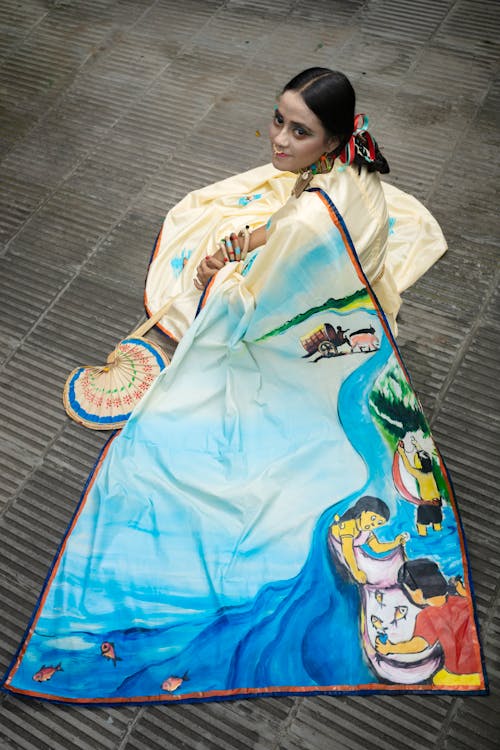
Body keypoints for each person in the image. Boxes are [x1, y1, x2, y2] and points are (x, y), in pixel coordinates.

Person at [3, 69, 484, 704]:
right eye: (279, 120)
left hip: (304, 330)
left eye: (299, 130)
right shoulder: (349, 174)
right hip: (351, 301)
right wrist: (253, 240)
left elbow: (259, 304)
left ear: (333, 138)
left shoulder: (314, 218)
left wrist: (222, 275)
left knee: (200, 396)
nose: (279, 140)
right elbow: (293, 226)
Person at [375, 559, 483, 686]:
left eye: (408, 591)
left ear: (419, 593)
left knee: (438, 680)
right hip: (479, 667)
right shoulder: (461, 600)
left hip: (460, 674)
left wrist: (390, 648)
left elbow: (419, 644)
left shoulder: (427, 615)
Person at [330, 496, 409, 583]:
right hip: (336, 550)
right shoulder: (349, 525)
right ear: (363, 512)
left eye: (378, 523)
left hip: (349, 553)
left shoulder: (367, 531)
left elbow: (377, 548)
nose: (373, 524)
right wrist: (355, 572)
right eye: (373, 518)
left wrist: (396, 543)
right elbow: (347, 550)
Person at [397, 438, 443, 535]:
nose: (415, 459)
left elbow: (408, 467)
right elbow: (424, 455)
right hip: (436, 503)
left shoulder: (419, 474)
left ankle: (423, 537)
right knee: (438, 526)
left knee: (421, 526)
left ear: (419, 462)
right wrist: (416, 444)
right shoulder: (430, 473)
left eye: (416, 458)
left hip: (426, 504)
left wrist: (402, 452)